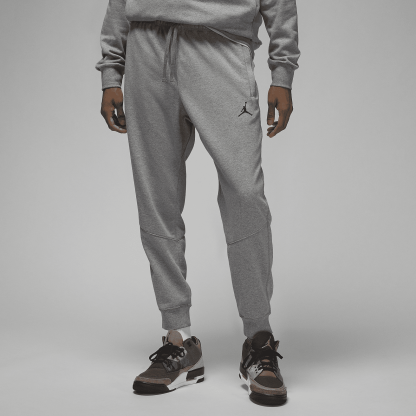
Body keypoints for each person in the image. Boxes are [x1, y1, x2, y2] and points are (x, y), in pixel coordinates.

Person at [95, 0, 300, 406]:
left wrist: (283, 72)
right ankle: (178, 339)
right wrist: (111, 71)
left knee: (245, 195)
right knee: (157, 197)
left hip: (221, 46)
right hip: (146, 48)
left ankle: (258, 339)